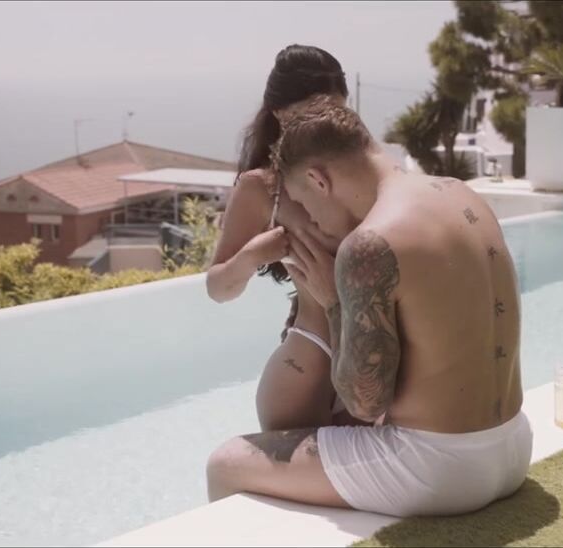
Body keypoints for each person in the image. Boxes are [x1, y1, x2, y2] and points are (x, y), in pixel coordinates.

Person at [205, 95, 532, 517]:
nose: (313, 221)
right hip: (513, 447)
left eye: (305, 204)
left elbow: (366, 402)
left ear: (318, 180)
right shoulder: (461, 193)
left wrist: (332, 301)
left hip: (436, 469)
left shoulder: (369, 243)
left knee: (226, 462)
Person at [206, 45, 363, 431]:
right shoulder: (263, 188)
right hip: (310, 357)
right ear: (279, 113)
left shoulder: (367, 175)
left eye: (335, 112)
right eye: (308, 115)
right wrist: (251, 256)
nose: (321, 128)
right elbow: (217, 288)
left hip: (375, 356)